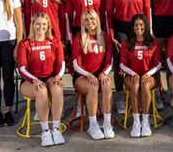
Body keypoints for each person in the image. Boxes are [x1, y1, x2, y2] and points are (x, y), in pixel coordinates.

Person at [105, 0, 151, 114]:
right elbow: (108, 14)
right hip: (121, 28)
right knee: (121, 63)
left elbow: (147, 10)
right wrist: (111, 34)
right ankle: (120, 96)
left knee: (142, 58)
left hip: (138, 26)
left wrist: (148, 31)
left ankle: (146, 92)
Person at [17, 13, 66, 147]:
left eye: (44, 24)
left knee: (57, 88)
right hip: (30, 81)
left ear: (48, 26)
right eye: (38, 24)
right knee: (41, 91)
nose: (41, 27)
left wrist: (58, 76)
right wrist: (34, 80)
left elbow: (61, 63)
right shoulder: (24, 44)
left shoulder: (55, 41)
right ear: (32, 25)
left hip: (50, 77)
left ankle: (56, 129)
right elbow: (22, 68)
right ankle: (45, 131)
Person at [71, 10, 114, 140]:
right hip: (82, 76)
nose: (90, 22)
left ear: (97, 20)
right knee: (93, 87)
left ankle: (107, 123)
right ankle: (93, 125)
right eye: (86, 20)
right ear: (83, 23)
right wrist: (89, 75)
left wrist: (103, 73)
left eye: (92, 19)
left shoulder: (105, 37)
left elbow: (110, 60)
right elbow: (76, 64)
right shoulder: (78, 39)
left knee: (107, 84)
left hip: (99, 74)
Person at [120, 14, 161, 138]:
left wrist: (148, 73)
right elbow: (122, 64)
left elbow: (158, 63)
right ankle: (136, 122)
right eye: (136, 25)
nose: (139, 27)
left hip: (149, 76)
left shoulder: (153, 42)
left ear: (146, 26)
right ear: (132, 27)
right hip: (131, 76)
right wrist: (133, 74)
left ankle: (145, 121)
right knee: (135, 85)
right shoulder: (127, 43)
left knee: (145, 85)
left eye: (141, 24)